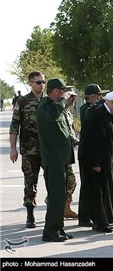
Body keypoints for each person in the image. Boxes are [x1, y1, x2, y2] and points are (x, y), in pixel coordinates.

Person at [78, 90, 113, 233]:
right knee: (96, 192)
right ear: (111, 102)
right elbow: (91, 142)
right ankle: (99, 223)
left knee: (104, 190)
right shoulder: (97, 115)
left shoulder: (109, 114)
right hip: (93, 162)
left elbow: (112, 138)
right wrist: (96, 163)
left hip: (105, 161)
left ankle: (105, 219)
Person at [36, 78, 74, 242]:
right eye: (63, 91)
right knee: (56, 197)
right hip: (53, 160)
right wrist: (64, 100)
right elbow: (52, 114)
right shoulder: (45, 107)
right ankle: (50, 232)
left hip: (60, 159)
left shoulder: (55, 108)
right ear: (56, 91)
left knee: (60, 197)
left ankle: (58, 229)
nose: (64, 94)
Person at [9, 71, 45, 229]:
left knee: (55, 181)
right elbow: (14, 126)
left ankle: (55, 211)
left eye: (43, 82)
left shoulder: (49, 100)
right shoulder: (22, 102)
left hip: (47, 149)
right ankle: (30, 214)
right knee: (30, 182)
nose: (41, 85)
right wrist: (13, 149)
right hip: (29, 149)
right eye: (38, 82)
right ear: (30, 83)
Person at [77, 83, 108, 227]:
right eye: (97, 95)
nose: (100, 97)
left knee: (90, 185)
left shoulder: (92, 108)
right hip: (86, 152)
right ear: (90, 97)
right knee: (87, 185)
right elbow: (90, 115)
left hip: (90, 151)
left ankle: (87, 215)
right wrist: (102, 104)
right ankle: (84, 217)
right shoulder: (86, 109)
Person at [63, 90, 79, 219]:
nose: (72, 101)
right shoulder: (59, 111)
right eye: (71, 98)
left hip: (68, 152)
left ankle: (66, 208)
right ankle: (57, 206)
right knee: (69, 181)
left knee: (71, 182)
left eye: (74, 99)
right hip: (59, 154)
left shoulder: (68, 113)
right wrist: (80, 143)